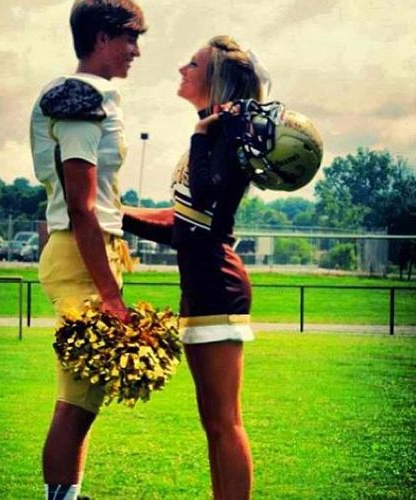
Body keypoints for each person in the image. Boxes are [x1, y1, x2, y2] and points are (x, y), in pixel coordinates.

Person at [123, 36, 270, 499]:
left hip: (217, 288)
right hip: (201, 287)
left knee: (225, 422)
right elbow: (183, 226)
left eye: (194, 63)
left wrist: (199, 134)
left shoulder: (223, 134)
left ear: (216, 79)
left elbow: (205, 196)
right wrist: (114, 214)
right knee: (214, 423)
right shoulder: (214, 134)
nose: (182, 69)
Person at [29, 1, 146, 499]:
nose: (135, 51)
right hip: (82, 257)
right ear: (101, 37)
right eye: (130, 39)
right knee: (75, 399)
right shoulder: (78, 95)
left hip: (91, 254)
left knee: (87, 396)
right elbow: (81, 206)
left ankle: (69, 495)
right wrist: (111, 296)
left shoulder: (97, 95)